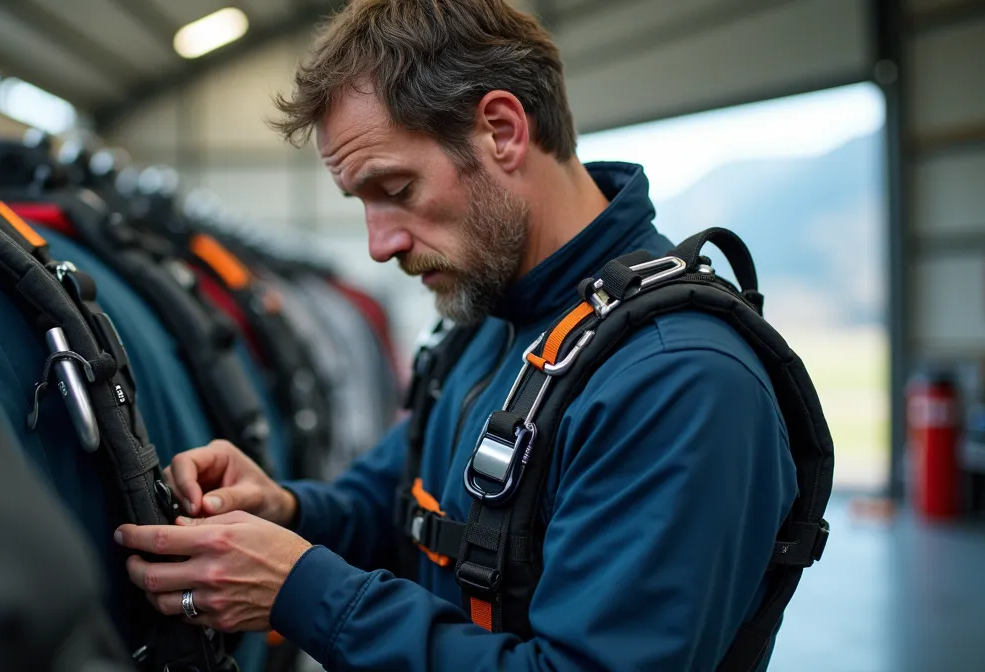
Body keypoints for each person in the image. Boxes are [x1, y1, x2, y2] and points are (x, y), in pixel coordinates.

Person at [113, 1, 799, 670]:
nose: (379, 246)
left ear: (501, 130)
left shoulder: (677, 382)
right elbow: (399, 503)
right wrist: (286, 508)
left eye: (396, 189)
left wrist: (302, 591)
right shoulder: (492, 325)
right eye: (363, 203)